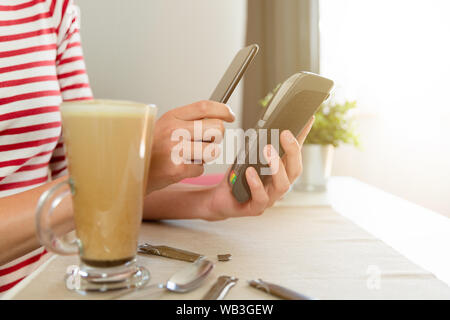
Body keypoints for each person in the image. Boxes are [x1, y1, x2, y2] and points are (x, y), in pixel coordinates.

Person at [0, 0, 313, 293]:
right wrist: (135, 168)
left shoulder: (50, 8)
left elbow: (79, 181)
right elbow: (92, 190)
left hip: (46, 285)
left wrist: (208, 202)